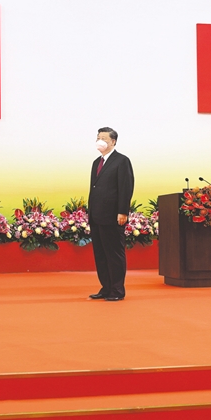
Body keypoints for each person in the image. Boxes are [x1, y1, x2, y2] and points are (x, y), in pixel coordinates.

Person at [87, 127, 134, 301]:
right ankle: (106, 288)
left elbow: (125, 187)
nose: (100, 141)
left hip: (113, 216)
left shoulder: (122, 161)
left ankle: (117, 290)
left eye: (104, 138)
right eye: (98, 137)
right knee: (100, 255)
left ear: (113, 141)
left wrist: (122, 211)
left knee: (114, 254)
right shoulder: (96, 163)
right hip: (96, 216)